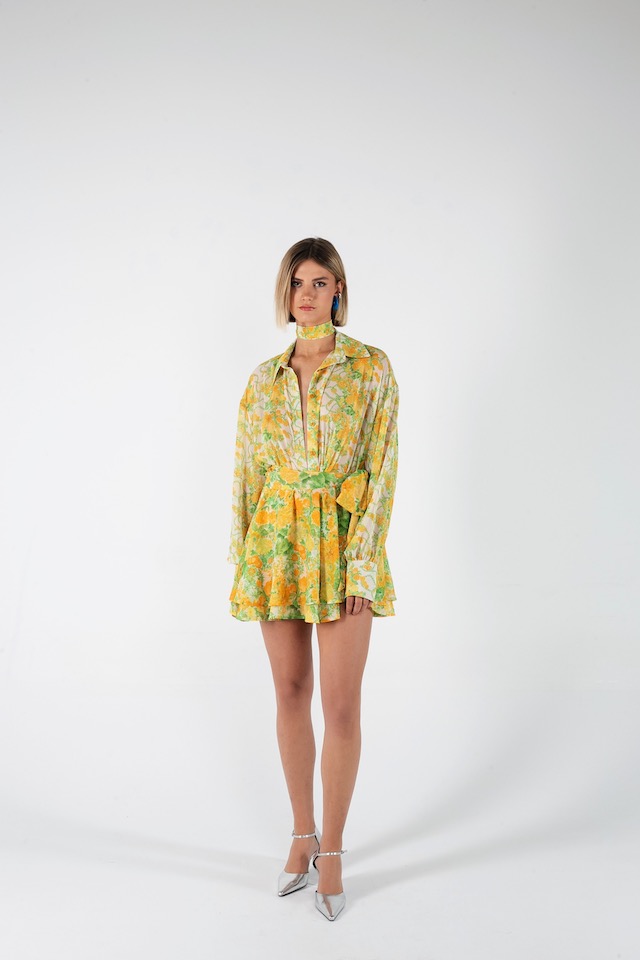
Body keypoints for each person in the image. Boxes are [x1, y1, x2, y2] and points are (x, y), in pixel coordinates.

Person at [227, 237, 399, 921]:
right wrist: (245, 560)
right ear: (287, 291)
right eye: (297, 282)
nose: (307, 293)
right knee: (290, 691)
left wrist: (364, 559)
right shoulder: (262, 379)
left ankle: (334, 851)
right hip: (277, 546)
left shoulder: (370, 367)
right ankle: (303, 835)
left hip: (343, 542)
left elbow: (383, 467)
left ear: (338, 290)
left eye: (320, 281)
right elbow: (246, 473)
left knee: (342, 705)